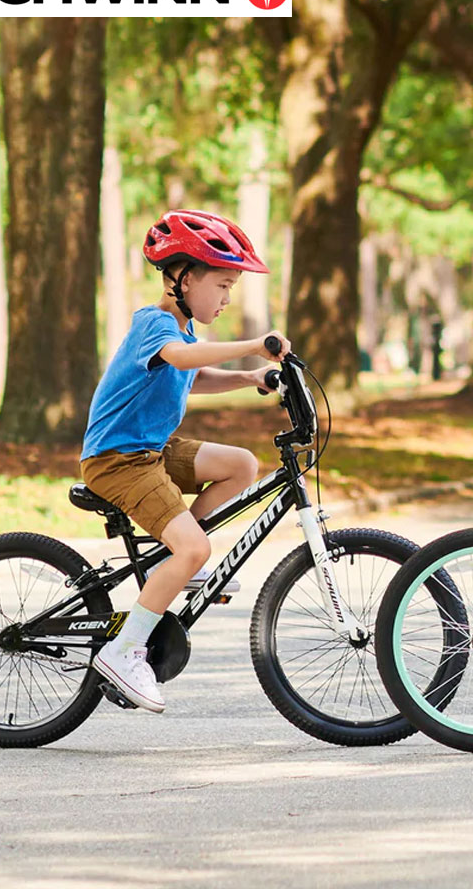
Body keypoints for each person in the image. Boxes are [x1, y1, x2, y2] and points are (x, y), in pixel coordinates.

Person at [80, 209, 290, 712]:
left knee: (240, 464)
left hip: (153, 451)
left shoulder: (181, 333)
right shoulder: (156, 325)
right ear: (185, 278)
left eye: (232, 288)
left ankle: (177, 558)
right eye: (221, 284)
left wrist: (247, 377)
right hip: (118, 461)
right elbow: (180, 359)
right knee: (194, 549)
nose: (226, 297)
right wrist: (253, 345)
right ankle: (124, 652)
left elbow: (192, 374)